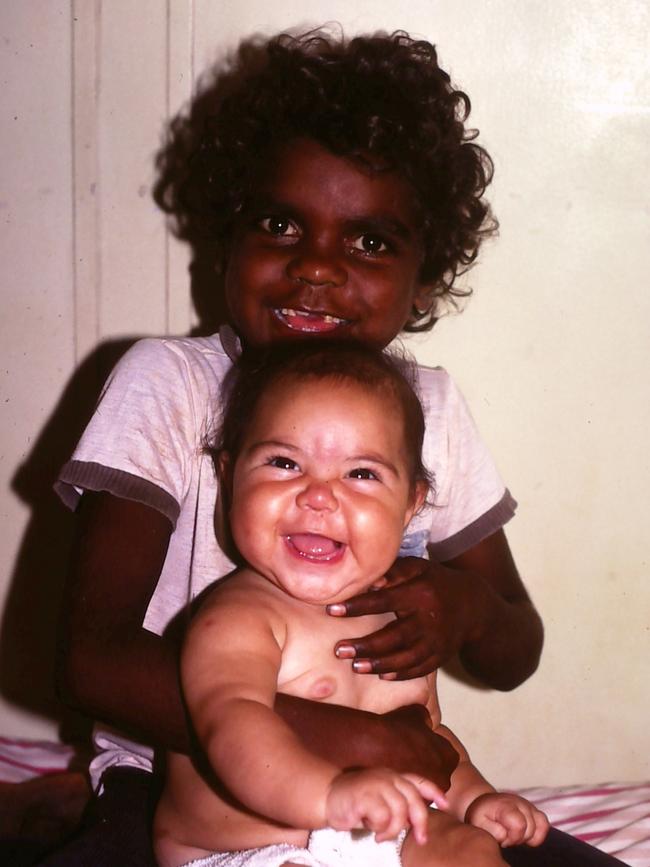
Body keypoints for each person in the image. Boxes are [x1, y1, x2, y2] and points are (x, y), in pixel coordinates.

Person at [47, 27, 622, 867]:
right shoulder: (168, 384)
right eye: (282, 223)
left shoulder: (427, 407)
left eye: (370, 241)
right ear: (229, 232)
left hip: (396, 800)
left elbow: (515, 650)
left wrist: (459, 610)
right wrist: (356, 739)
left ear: (426, 274)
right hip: (182, 783)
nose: (317, 267)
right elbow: (89, 660)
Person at [153, 340, 550, 867]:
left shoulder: (403, 618)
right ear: (229, 478)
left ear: (411, 504)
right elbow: (235, 726)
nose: (318, 496)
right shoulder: (237, 618)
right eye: (283, 462)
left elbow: (429, 739)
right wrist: (329, 795)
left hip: (371, 836)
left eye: (361, 474)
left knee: (468, 848)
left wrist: (475, 799)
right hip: (253, 848)